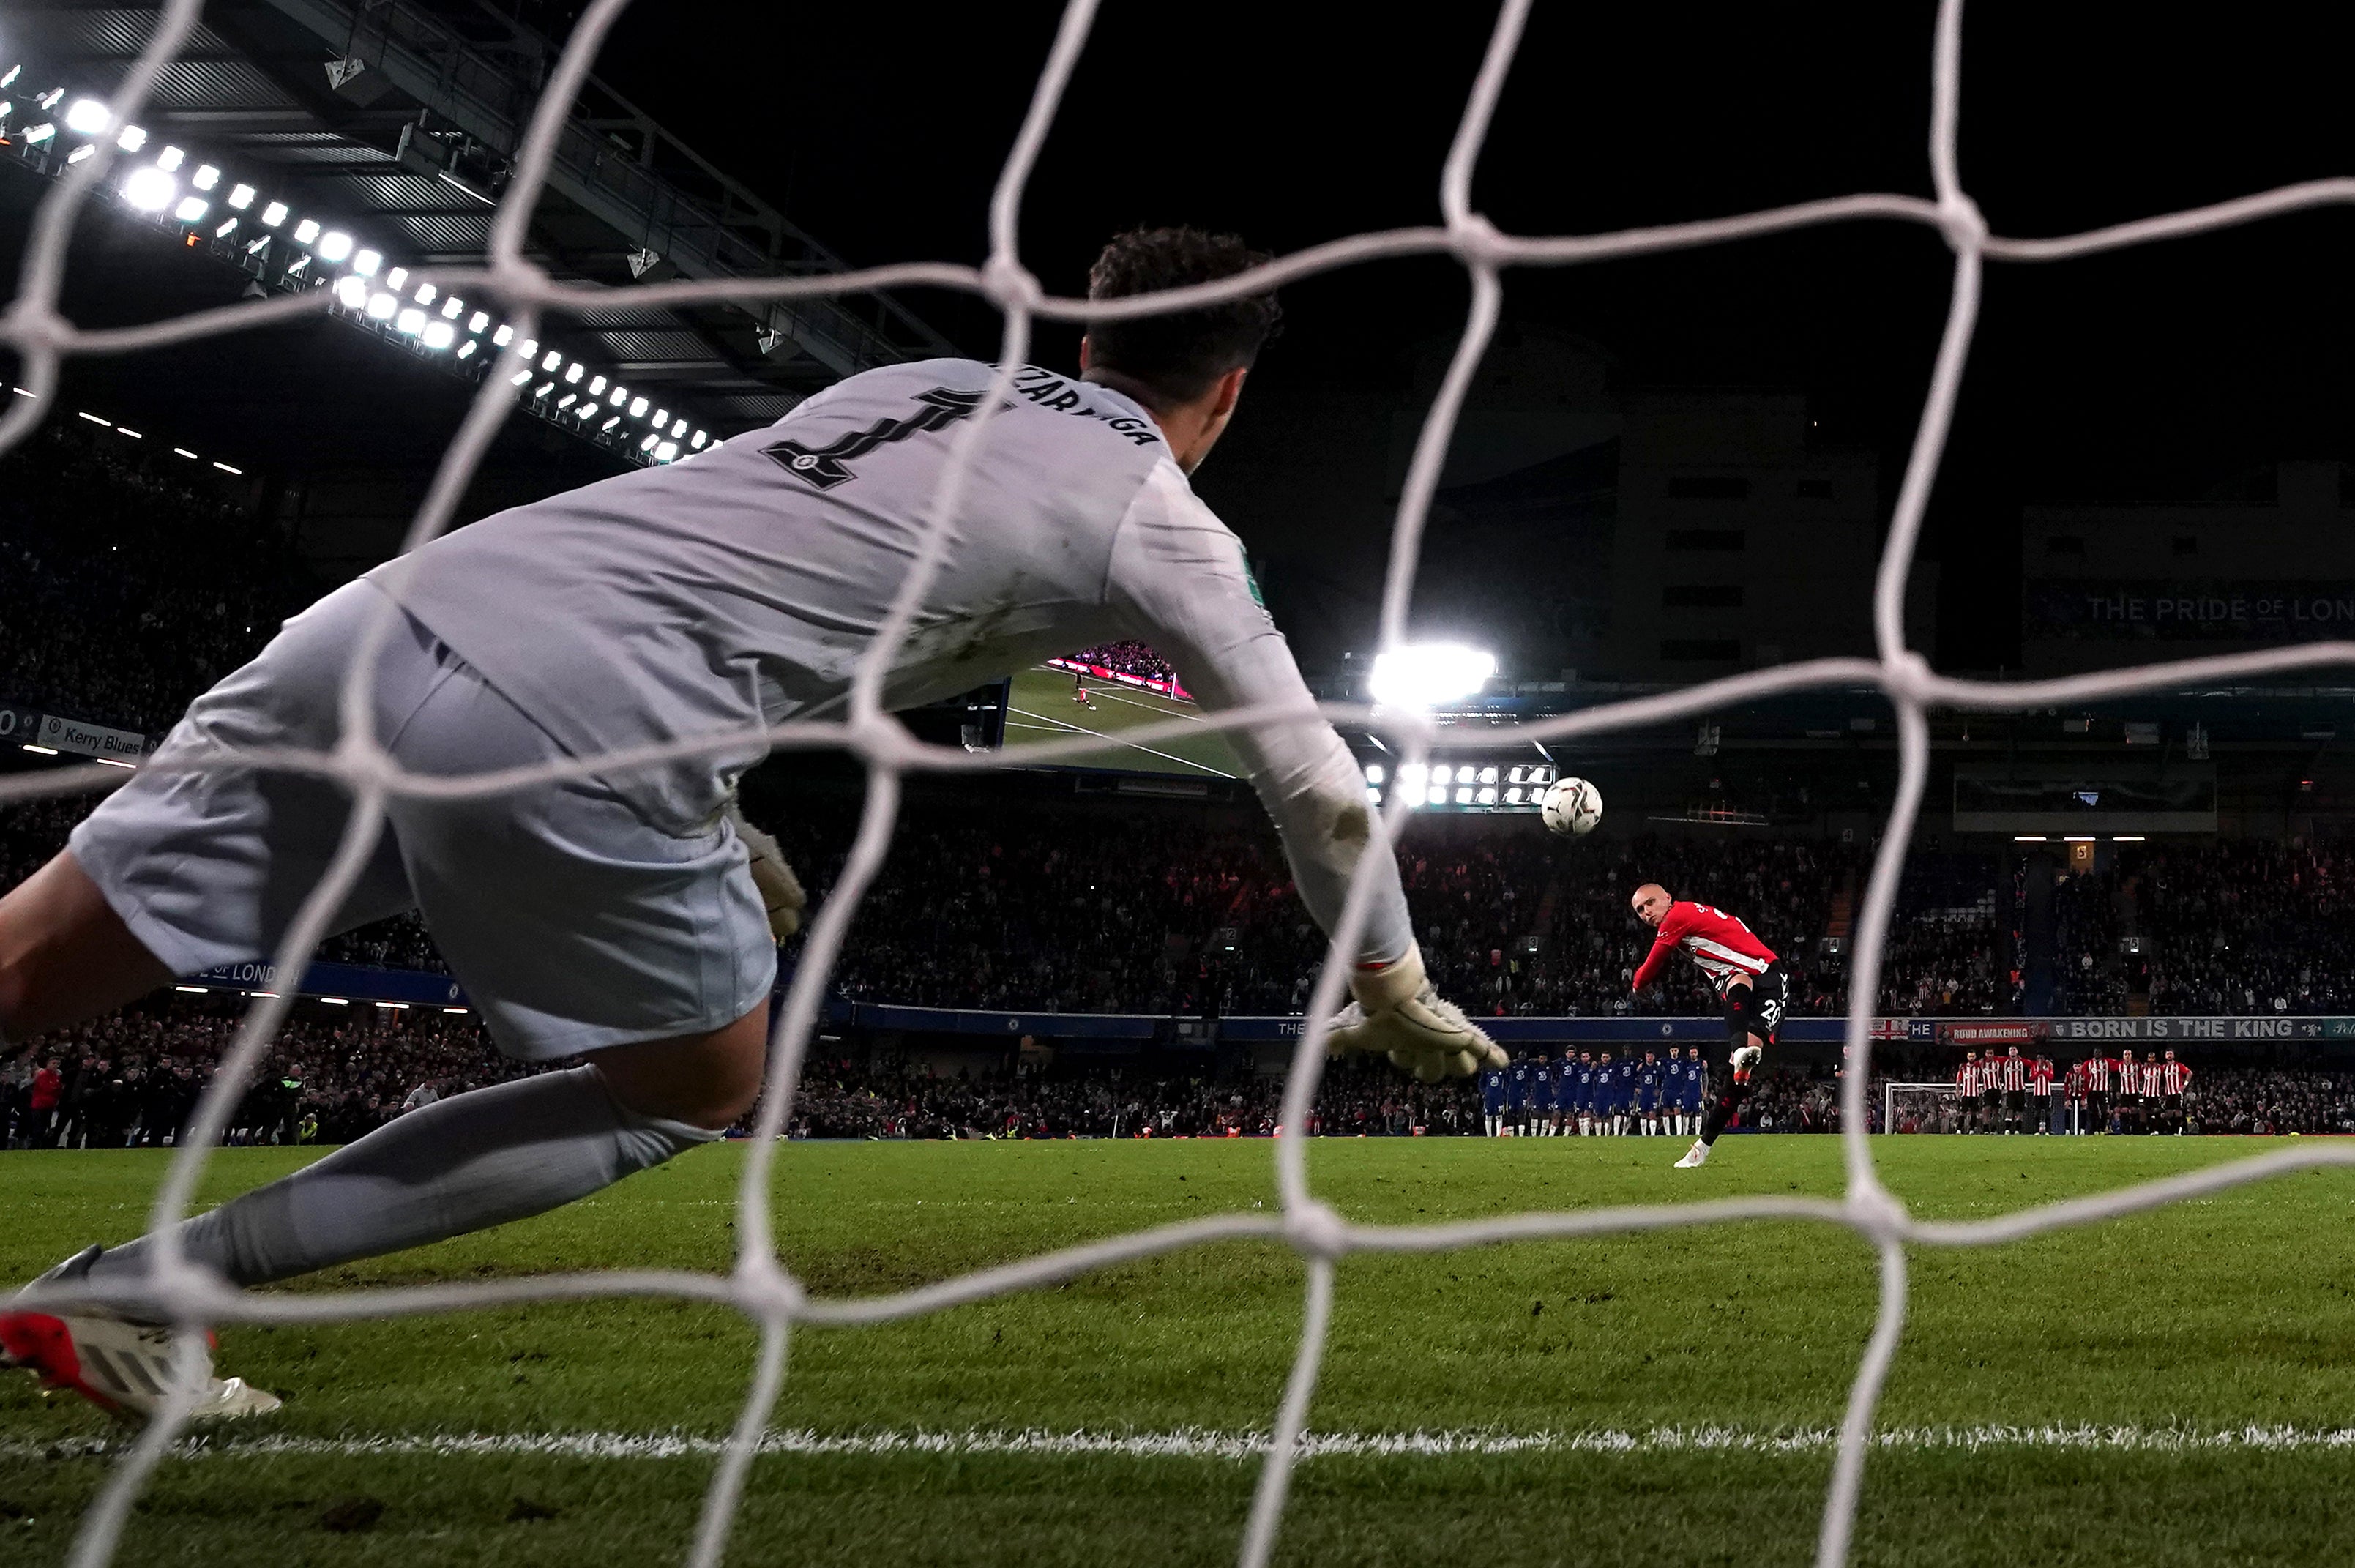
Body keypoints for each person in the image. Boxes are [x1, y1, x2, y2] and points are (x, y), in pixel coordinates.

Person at [0, 228, 1504, 1422]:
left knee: (34, 962)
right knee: (692, 1088)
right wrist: (1391, 984)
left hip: (398, 612)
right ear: (1230, 394)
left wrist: (725, 807)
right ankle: (151, 1289)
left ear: (1085, 336)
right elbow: (1313, 783)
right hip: (586, 713)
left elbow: (758, 574)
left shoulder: (907, 385)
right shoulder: (1162, 520)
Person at [1627, 884, 1785, 1169]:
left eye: (1650, 903)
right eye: (1640, 910)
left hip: (1768, 976)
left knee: (1738, 986)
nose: (1647, 912)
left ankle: (1739, 1055)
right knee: (1737, 1074)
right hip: (1738, 976)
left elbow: (1649, 969)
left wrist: (1638, 985)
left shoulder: (1677, 916)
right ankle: (1703, 1146)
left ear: (1668, 898)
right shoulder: (1685, 917)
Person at [2160, 1050, 2192, 1135]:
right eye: (2167, 1054)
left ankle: (2180, 1130)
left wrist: (2184, 1085)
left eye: (2171, 1054)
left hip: (2177, 1092)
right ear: (2165, 1056)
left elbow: (2189, 1073)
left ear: (2173, 1056)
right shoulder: (2163, 1067)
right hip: (2169, 1093)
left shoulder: (2179, 1066)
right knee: (2168, 1113)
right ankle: (2173, 1129)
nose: (2169, 1056)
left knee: (2178, 1112)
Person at [1479, 1057, 1508, 1138]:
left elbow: (1506, 1083)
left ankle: (1498, 1135)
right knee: (1488, 1116)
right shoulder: (1486, 1071)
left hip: (1498, 1097)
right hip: (1489, 1097)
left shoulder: (1502, 1071)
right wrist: (1484, 1092)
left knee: (1499, 1116)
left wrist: (1504, 1094)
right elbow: (1481, 1083)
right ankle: (1489, 1135)